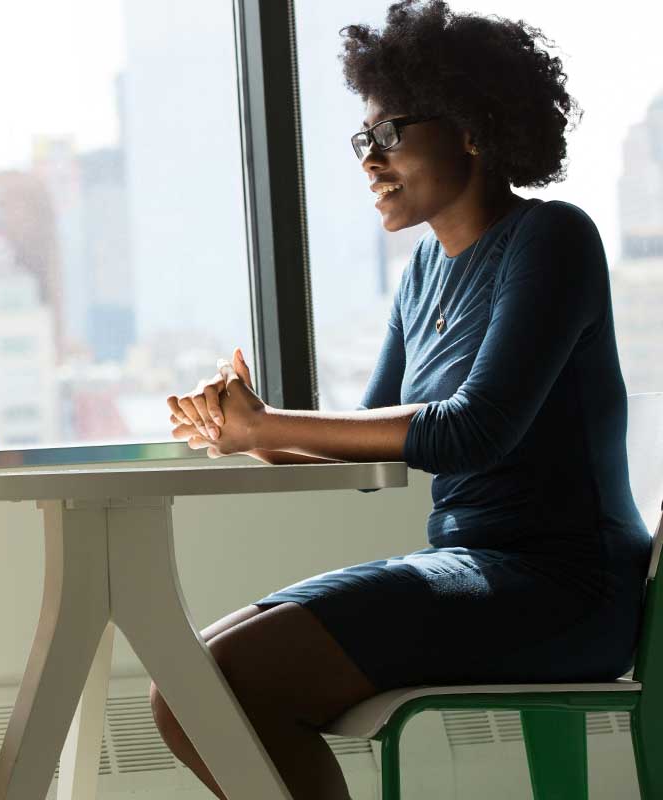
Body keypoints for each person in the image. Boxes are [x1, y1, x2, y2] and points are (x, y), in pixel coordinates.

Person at [154, 2, 653, 798]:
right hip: (472, 568)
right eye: (364, 140)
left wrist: (268, 423)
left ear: (472, 129)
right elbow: (367, 444)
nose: (368, 160)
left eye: (389, 135)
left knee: (219, 684)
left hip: (565, 586)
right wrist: (239, 431)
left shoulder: (553, 239)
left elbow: (472, 432)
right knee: (186, 689)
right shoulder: (421, 275)